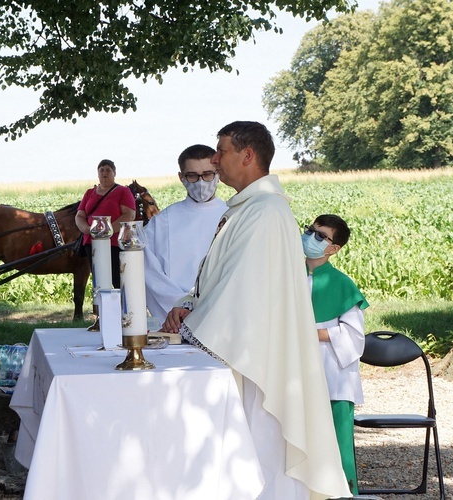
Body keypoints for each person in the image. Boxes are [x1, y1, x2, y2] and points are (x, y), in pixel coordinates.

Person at [162, 121, 351, 499]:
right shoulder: (251, 207)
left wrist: (190, 326)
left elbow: (242, 293)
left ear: (247, 155)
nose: (215, 161)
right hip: (248, 350)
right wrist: (188, 305)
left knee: (260, 456)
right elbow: (221, 281)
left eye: (222, 151)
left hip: (258, 361)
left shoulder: (265, 211)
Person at [303, 214, 369, 495]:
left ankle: (342, 493)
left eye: (321, 236)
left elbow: (354, 337)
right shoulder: (287, 275)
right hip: (298, 369)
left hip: (333, 373)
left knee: (336, 439)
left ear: (333, 249)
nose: (311, 238)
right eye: (310, 231)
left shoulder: (341, 284)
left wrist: (309, 333)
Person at [143, 144, 227, 330]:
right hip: (174, 320)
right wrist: (179, 308)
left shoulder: (232, 216)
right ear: (182, 178)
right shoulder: (162, 222)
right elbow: (149, 272)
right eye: (192, 176)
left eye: (207, 174)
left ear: (218, 174)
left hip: (222, 318)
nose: (201, 182)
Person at [75, 159, 136, 328]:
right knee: (99, 281)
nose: (104, 173)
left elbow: (129, 215)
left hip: (114, 243)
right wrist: (87, 229)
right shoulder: (89, 193)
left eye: (108, 169)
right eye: (101, 169)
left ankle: (123, 318)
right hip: (92, 244)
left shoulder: (122, 191)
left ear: (114, 173)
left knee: (117, 279)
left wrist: (106, 230)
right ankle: (101, 318)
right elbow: (80, 215)